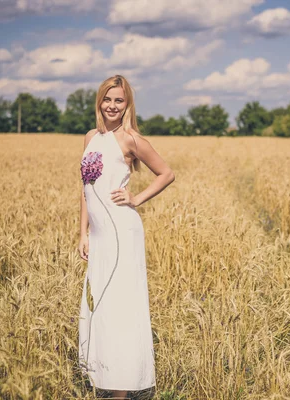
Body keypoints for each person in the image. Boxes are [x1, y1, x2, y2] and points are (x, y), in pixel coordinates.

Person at [77, 75, 175, 399]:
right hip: (100, 236)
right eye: (108, 99)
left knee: (120, 308)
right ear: (99, 101)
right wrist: (84, 233)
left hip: (122, 231)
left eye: (119, 100)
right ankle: (103, 377)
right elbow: (85, 189)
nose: (112, 106)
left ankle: (120, 393)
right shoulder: (91, 136)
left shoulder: (131, 139)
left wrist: (136, 198)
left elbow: (167, 173)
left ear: (127, 104)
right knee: (100, 306)